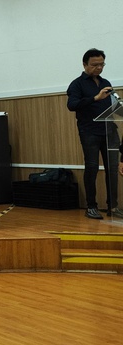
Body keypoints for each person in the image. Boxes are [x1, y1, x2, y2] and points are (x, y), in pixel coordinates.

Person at [67, 48, 121, 219]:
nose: (99, 68)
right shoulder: (77, 84)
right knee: (92, 168)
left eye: (102, 64)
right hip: (89, 131)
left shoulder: (106, 82)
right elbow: (72, 105)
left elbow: (113, 105)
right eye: (95, 65)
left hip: (109, 130)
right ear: (85, 64)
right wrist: (95, 98)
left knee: (112, 169)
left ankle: (113, 206)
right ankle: (91, 206)